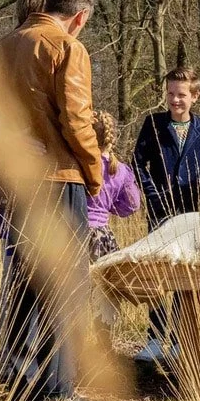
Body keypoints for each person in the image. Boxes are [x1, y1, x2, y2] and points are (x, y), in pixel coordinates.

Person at [0, 0, 103, 401]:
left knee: (22, 280)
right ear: (80, 17)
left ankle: (21, 383)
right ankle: (56, 391)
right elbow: (77, 121)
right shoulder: (67, 48)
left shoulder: (0, 48)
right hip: (59, 180)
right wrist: (93, 171)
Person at [132, 67, 200, 362]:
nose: (175, 100)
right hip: (159, 210)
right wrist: (154, 195)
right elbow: (137, 163)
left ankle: (182, 340)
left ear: (195, 96)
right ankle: (156, 338)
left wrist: (196, 195)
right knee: (158, 272)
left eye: (181, 95)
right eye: (170, 94)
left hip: (191, 213)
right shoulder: (153, 124)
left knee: (185, 275)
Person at [86, 110, 141, 347]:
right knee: (105, 293)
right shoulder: (121, 171)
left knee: (77, 291)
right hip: (103, 236)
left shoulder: (82, 164)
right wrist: (110, 207)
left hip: (77, 232)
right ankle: (103, 344)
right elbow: (132, 205)